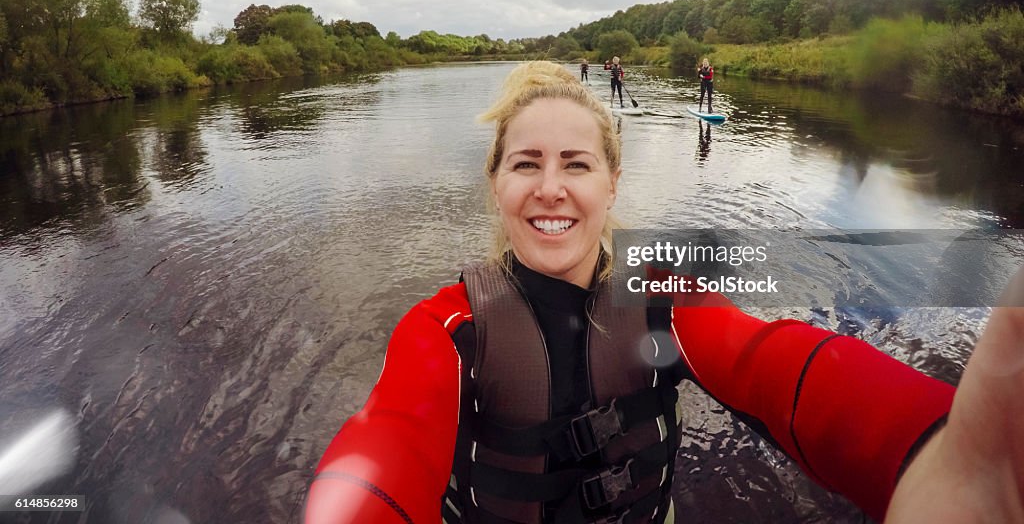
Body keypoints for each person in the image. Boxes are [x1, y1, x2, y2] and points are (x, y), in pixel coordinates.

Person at [304, 61, 1024, 524]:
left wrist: (930, 448)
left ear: (611, 184)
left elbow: (769, 360)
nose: (550, 187)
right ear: (496, 187)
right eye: (526, 163)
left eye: (576, 164)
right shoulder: (448, 325)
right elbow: (389, 439)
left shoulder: (661, 295)